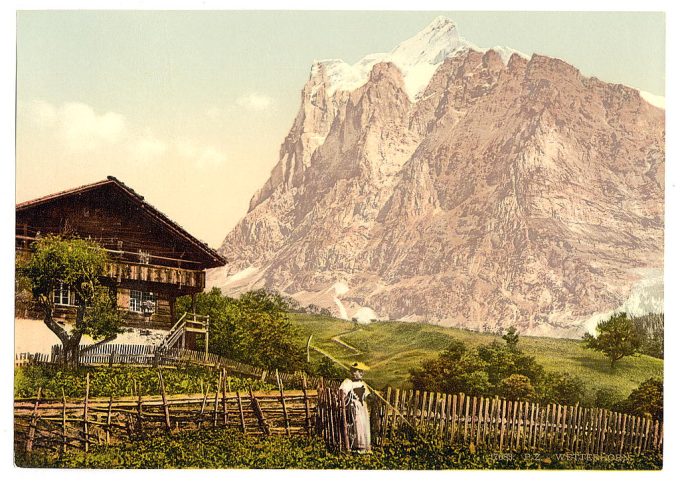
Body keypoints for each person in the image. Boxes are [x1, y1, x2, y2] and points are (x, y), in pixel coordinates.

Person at [339, 362, 371, 452]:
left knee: (364, 424)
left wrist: (371, 396)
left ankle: (365, 446)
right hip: (354, 407)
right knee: (357, 424)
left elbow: (366, 394)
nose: (362, 373)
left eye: (362, 371)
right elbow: (342, 394)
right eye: (359, 371)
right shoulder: (348, 382)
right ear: (353, 372)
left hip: (362, 407)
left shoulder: (363, 383)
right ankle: (357, 446)